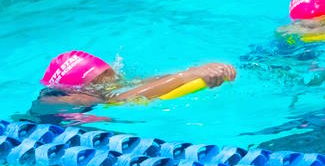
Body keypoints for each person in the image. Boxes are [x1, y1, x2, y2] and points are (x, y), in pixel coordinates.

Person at [26, 50, 236, 124]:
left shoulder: (82, 89)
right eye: (108, 77)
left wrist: (194, 71)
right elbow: (122, 98)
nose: (118, 79)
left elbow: (133, 85)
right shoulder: (69, 99)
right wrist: (187, 76)